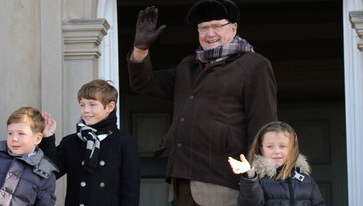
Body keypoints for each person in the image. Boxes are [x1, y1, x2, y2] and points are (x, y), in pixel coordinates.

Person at [127, 0, 277, 205]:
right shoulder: (188, 66)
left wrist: (255, 177)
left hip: (223, 177)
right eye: (203, 28)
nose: (210, 33)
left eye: (217, 26)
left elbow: (263, 122)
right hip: (181, 176)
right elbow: (144, 84)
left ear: (233, 28)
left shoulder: (254, 65)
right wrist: (140, 48)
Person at [39, 79, 141, 206]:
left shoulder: (124, 142)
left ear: (110, 107)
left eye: (92, 105)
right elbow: (50, 173)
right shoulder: (71, 142)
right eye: (82, 105)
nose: (85, 110)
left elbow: (130, 190)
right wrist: (48, 138)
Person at [228, 121, 326, 205]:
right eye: (270, 146)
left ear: (292, 148)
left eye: (282, 146)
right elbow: (250, 204)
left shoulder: (307, 181)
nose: (276, 151)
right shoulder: (258, 180)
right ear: (261, 149)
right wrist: (249, 175)